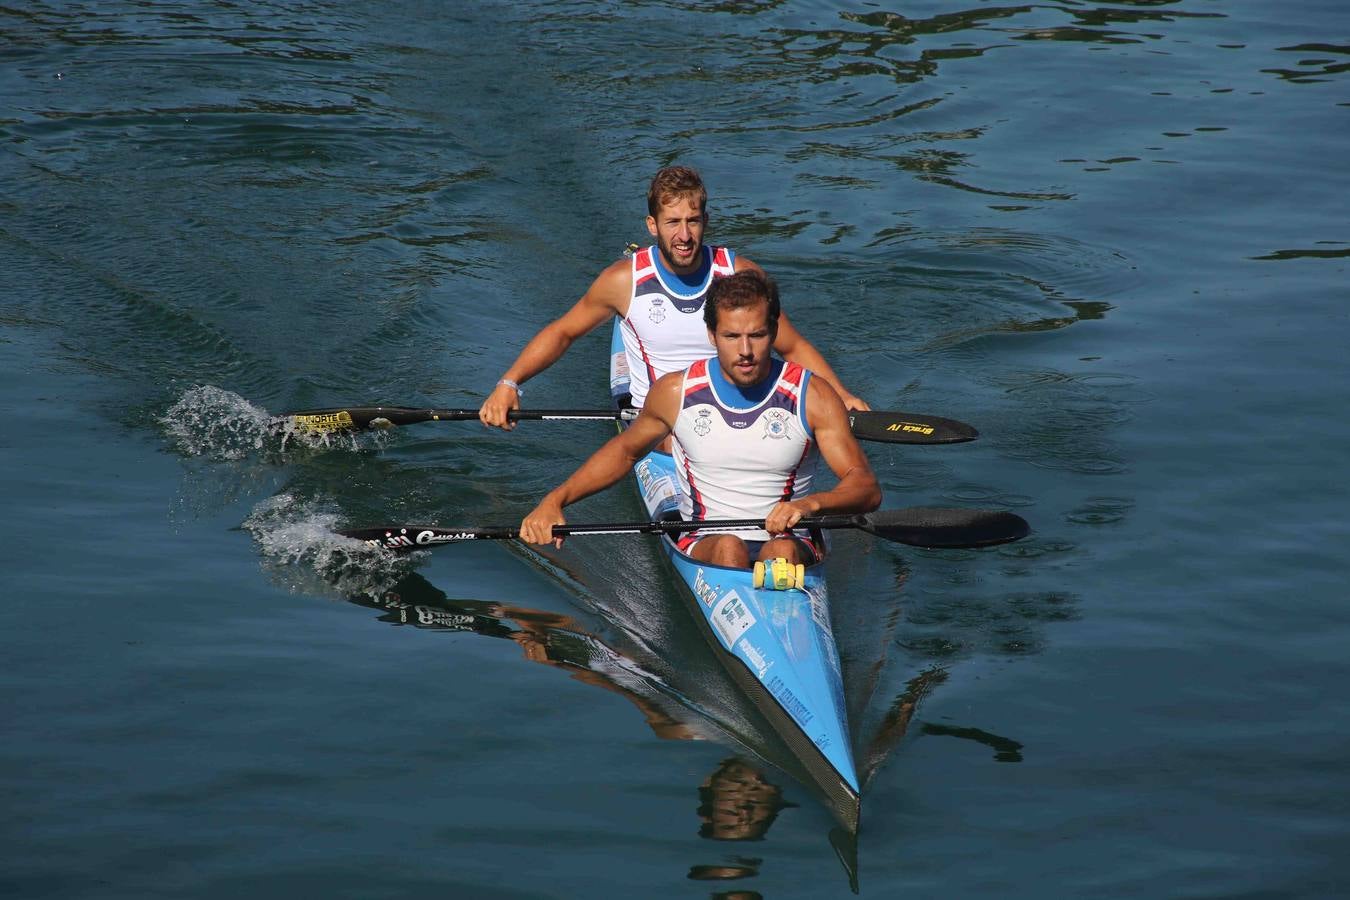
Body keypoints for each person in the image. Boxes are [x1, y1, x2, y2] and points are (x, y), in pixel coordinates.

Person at [520, 270, 881, 570]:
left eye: (756, 336)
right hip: (707, 540)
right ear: (711, 336)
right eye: (731, 336)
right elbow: (625, 453)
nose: (745, 351)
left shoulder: (812, 395)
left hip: (792, 542)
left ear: (772, 333)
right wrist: (557, 500)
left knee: (781, 553)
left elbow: (864, 486)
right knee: (729, 548)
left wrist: (809, 505)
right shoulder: (677, 392)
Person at [478, 165, 868, 431]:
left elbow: (793, 345)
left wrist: (842, 396)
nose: (684, 235)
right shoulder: (623, 282)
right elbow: (563, 333)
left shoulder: (739, 274)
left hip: (733, 416)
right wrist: (510, 383)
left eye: (693, 221)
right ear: (652, 226)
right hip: (659, 426)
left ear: (705, 222)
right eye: (673, 223)